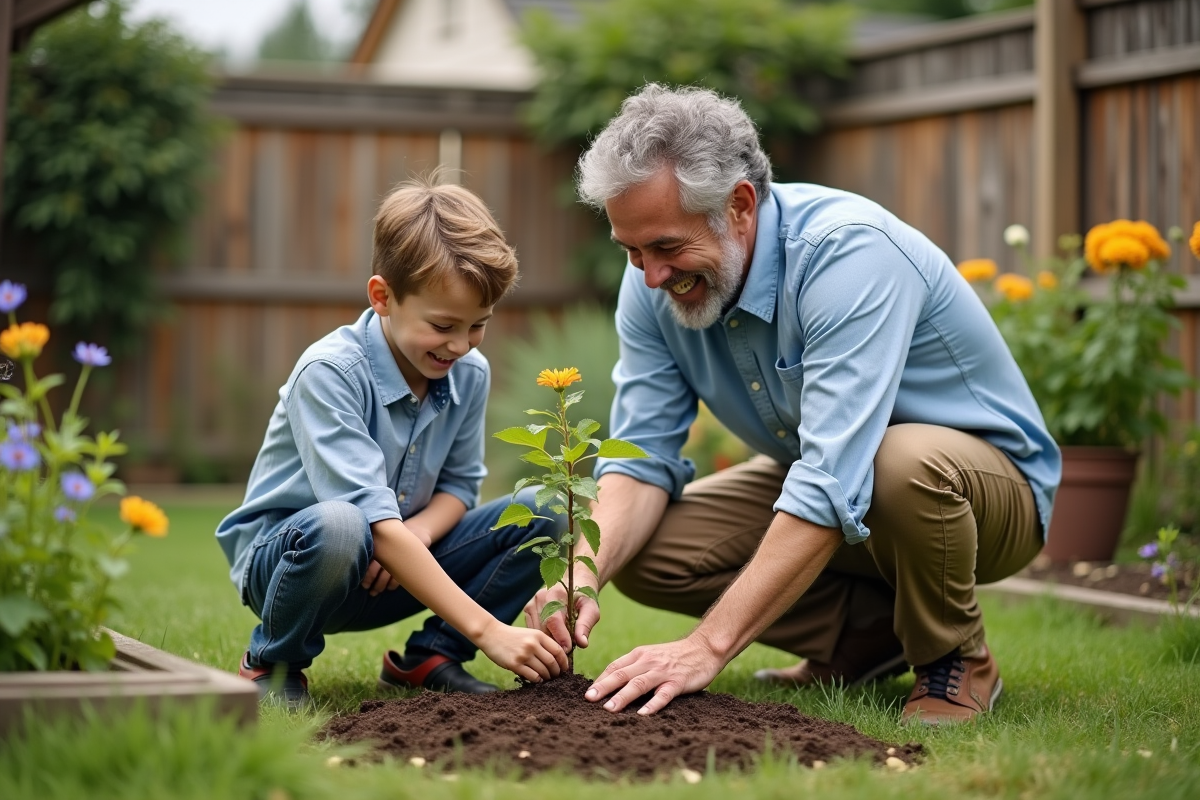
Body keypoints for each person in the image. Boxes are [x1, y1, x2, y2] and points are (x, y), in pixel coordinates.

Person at [524, 84, 1061, 725]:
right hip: (847, 488)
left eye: (666, 247)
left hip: (982, 497)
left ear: (740, 206)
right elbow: (639, 461)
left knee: (899, 460)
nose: (650, 276)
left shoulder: (849, 255)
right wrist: (580, 575)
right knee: (650, 551)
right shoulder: (650, 287)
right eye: (631, 251)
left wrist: (705, 647)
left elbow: (833, 479)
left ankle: (954, 658)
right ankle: (864, 643)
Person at [216, 177, 568, 707]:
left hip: (394, 571)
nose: (460, 345)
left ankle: (432, 657)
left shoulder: (468, 371)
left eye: (478, 325)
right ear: (383, 297)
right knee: (343, 523)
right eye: (444, 324)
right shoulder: (331, 373)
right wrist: (490, 630)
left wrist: (417, 534)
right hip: (295, 570)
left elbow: (459, 486)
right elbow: (366, 522)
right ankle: (274, 661)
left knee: (542, 508)